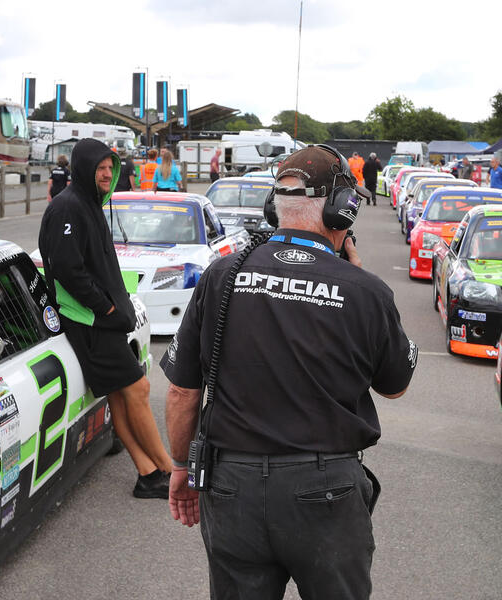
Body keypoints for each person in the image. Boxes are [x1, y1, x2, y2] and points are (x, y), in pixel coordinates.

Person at [161, 145, 416, 599]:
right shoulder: (365, 291)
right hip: (326, 493)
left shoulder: (221, 275)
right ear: (342, 211)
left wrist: (180, 466)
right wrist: (360, 285)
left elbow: (182, 392)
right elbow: (394, 386)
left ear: (273, 206)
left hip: (230, 486)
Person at [37, 138, 173, 499]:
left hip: (101, 319)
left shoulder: (90, 204)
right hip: (89, 320)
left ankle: (148, 474)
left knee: (120, 395)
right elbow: (67, 268)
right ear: (83, 168)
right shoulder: (69, 207)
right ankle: (170, 472)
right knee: (139, 389)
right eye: (100, 168)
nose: (107, 174)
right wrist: (105, 308)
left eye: (110, 169)